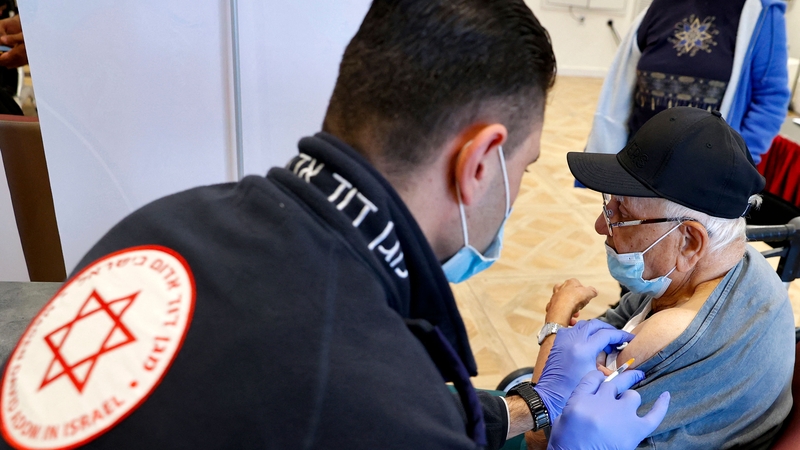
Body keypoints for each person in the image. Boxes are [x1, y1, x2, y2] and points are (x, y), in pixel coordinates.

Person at [0, 1, 669, 449]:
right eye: (523, 169)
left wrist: (534, 405)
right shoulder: (364, 390)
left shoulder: (161, 225)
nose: (519, 190)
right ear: (479, 162)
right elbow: (369, 406)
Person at [535, 107, 794, 449]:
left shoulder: (672, 331)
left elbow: (538, 433)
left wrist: (555, 321)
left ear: (689, 240)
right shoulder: (734, 263)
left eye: (621, 214)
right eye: (608, 204)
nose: (602, 225)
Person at [581, 0, 790, 168]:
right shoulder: (659, 7)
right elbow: (621, 87)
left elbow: (771, 98)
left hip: (704, 173)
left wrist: (737, 162)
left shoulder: (762, 13)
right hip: (638, 160)